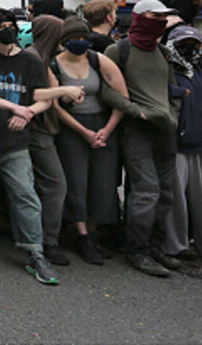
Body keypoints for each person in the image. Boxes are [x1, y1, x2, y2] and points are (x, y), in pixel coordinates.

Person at [0, 9, 60, 285]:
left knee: (25, 195)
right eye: (2, 27)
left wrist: (27, 112)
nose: (8, 31)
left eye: (11, 26)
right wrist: (15, 107)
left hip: (15, 144)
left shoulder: (30, 61)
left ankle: (35, 252)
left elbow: (41, 96)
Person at [50, 15, 136, 265]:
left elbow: (122, 98)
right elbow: (55, 106)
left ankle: (94, 229)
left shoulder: (99, 61)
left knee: (103, 182)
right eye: (73, 39)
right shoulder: (54, 65)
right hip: (73, 128)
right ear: (64, 40)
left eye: (83, 38)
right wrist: (83, 132)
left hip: (103, 124)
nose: (79, 42)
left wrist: (107, 130)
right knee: (76, 182)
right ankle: (82, 235)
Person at [105, 0, 182, 277]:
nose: (160, 21)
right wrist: (136, 112)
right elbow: (107, 90)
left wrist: (172, 114)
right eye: (154, 15)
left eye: (163, 17)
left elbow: (172, 88)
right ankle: (136, 250)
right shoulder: (119, 50)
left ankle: (155, 247)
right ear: (138, 17)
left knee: (165, 192)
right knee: (146, 191)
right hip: (136, 130)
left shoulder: (163, 52)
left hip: (165, 130)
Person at [161, 25, 202, 260]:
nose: (189, 48)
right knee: (176, 203)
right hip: (177, 143)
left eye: (194, 43)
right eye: (183, 43)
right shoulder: (165, 66)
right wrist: (173, 91)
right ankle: (176, 246)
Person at [22, 15, 71, 267]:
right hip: (37, 130)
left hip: (40, 129)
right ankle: (46, 241)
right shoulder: (33, 57)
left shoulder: (41, 57)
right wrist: (64, 90)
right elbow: (33, 93)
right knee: (55, 184)